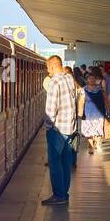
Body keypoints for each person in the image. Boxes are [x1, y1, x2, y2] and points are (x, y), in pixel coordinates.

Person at [41, 55, 78, 205]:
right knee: (66, 162)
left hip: (57, 130)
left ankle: (59, 195)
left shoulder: (54, 83)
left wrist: (48, 128)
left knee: (55, 163)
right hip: (70, 128)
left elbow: (50, 110)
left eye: (48, 68)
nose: (47, 71)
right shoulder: (69, 79)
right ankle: (64, 192)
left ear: (52, 66)